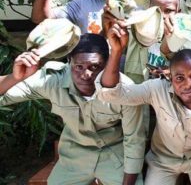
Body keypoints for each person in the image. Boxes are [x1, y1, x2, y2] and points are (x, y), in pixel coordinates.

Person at [98, 25, 191, 185]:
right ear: (170, 77)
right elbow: (111, 94)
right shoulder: (156, 88)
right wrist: (116, 52)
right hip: (163, 160)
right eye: (179, 78)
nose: (188, 84)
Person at [0, 34, 146, 185]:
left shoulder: (125, 90)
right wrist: (16, 77)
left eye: (94, 67)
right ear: (69, 62)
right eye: (78, 67)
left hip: (114, 156)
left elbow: (134, 140)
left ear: (107, 64)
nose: (85, 74)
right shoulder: (53, 81)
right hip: (74, 156)